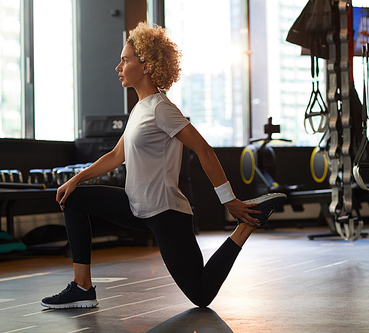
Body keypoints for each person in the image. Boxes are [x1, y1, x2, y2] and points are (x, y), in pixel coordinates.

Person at [41, 22, 286, 309]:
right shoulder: (139, 109)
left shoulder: (161, 108)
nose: (117, 67)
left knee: (201, 294)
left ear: (145, 65)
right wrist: (76, 179)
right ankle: (82, 287)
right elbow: (116, 154)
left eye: (125, 60)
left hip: (165, 212)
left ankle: (246, 225)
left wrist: (229, 200)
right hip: (136, 206)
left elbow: (204, 149)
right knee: (75, 199)